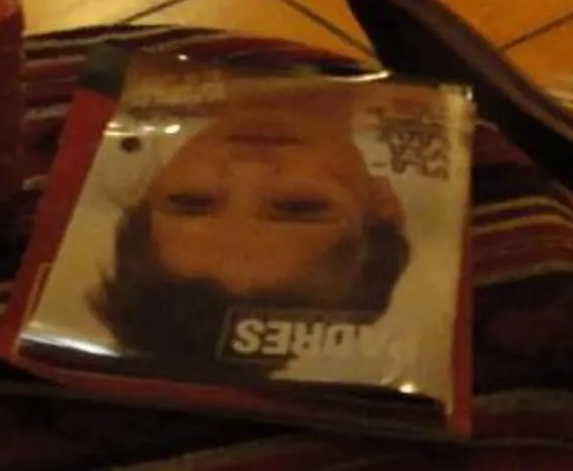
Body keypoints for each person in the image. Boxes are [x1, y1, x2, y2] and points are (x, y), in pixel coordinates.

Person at [88, 77, 414, 364]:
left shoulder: (121, 81)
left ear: (150, 187)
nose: (249, 167)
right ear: (382, 202)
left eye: (192, 201)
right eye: (300, 206)